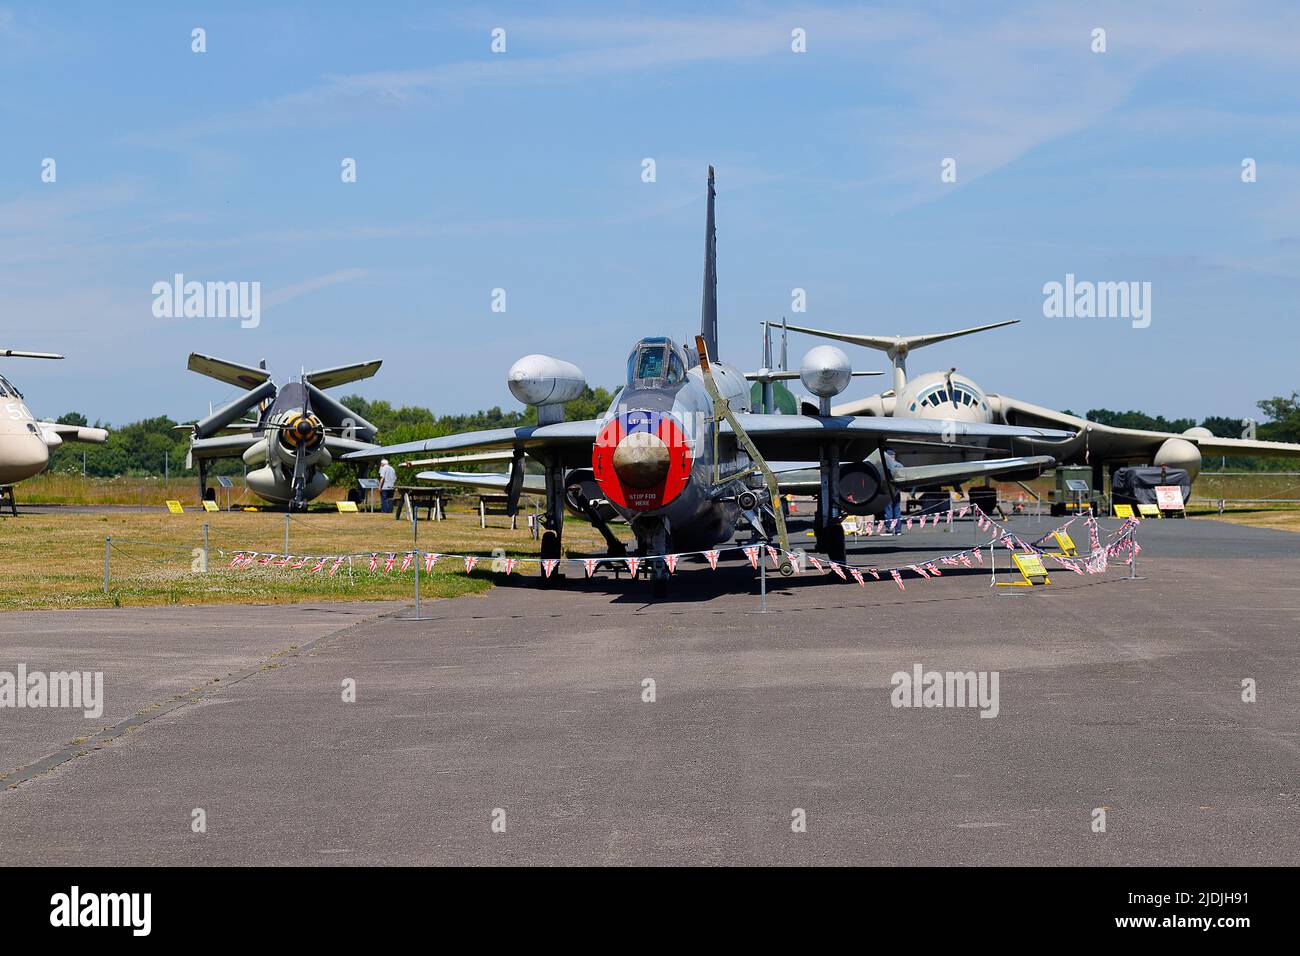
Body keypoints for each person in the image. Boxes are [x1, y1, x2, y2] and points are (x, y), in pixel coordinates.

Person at [883, 448, 903, 535]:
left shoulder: (885, 465)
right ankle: (898, 530)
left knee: (888, 510)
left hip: (888, 490)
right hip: (897, 490)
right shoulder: (900, 465)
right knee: (897, 510)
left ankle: (889, 529)